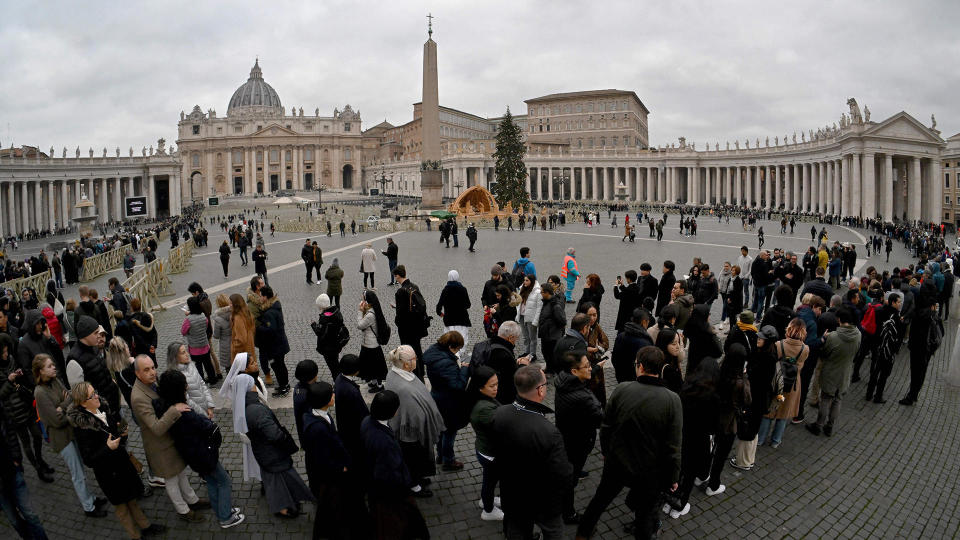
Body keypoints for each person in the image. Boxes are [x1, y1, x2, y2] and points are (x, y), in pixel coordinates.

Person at [575, 347, 682, 540]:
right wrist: (673, 476)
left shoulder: (622, 389)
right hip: (650, 471)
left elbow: (606, 426)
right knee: (644, 516)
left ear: (640, 366)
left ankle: (582, 534)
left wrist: (607, 452)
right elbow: (673, 446)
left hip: (617, 462)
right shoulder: (672, 400)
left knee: (599, 500)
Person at [68, 381, 165, 539]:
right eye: (92, 395)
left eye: (95, 391)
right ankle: (135, 536)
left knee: (132, 499)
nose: (97, 396)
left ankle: (146, 526)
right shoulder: (82, 428)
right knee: (122, 508)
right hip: (108, 474)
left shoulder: (103, 408)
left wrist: (121, 433)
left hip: (122, 464)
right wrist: (107, 448)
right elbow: (88, 460)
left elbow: (112, 431)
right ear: (83, 403)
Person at [154, 370, 245, 529]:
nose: (187, 387)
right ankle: (225, 517)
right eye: (184, 385)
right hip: (202, 454)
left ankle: (221, 510)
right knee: (224, 481)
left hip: (192, 455)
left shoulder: (165, 407)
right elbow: (207, 427)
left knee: (211, 481)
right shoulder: (184, 413)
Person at [493, 366, 573, 539]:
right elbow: (562, 473)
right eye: (545, 384)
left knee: (517, 530)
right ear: (540, 390)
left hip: (512, 493)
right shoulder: (548, 431)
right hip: (543, 499)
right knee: (553, 531)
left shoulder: (500, 412)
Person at [130, 355, 209, 522]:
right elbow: (157, 428)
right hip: (159, 445)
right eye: (146, 370)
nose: (152, 372)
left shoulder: (151, 383)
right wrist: (175, 409)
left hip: (170, 440)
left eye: (153, 367)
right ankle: (183, 511)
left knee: (180, 472)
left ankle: (192, 500)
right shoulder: (138, 397)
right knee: (171, 479)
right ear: (137, 374)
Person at [32, 354, 107, 517]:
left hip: (71, 433)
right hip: (62, 439)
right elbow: (57, 420)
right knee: (77, 473)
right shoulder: (39, 393)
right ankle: (88, 507)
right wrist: (66, 405)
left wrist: (62, 406)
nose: (54, 368)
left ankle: (91, 498)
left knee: (81, 467)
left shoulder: (55, 380)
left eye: (53, 365)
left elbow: (71, 397)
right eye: (49, 366)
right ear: (40, 371)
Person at [244, 370, 315, 517]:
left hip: (264, 452)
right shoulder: (257, 410)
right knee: (276, 480)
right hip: (271, 453)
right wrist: (284, 439)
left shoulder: (247, 405)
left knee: (279, 478)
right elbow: (274, 434)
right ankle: (283, 508)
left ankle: (290, 500)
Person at [360, 390, 429, 539]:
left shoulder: (367, 421)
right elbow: (389, 471)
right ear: (392, 412)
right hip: (391, 492)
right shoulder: (384, 442)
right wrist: (404, 484)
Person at [301, 381, 362, 539]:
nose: (334, 395)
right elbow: (322, 457)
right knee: (333, 505)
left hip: (332, 467)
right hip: (331, 475)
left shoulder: (317, 414)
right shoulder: (318, 427)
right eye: (331, 394)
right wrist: (340, 468)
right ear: (325, 401)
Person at [384, 345, 445, 496]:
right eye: (414, 359)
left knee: (418, 459)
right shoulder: (404, 388)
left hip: (412, 431)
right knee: (413, 459)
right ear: (406, 364)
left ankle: (418, 478)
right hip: (411, 434)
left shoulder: (396, 372)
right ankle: (414, 485)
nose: (417, 360)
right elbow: (413, 414)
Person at [0, 334, 56, 485]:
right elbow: (1, 394)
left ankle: (40, 460)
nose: (6, 355)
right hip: (13, 413)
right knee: (26, 443)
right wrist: (9, 381)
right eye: (3, 353)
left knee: (37, 436)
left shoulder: (11, 359)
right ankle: (38, 469)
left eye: (6, 351)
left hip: (25, 405)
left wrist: (18, 375)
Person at [555, 352, 603, 525]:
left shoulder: (562, 379)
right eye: (587, 366)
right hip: (578, 442)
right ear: (574, 371)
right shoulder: (583, 398)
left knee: (570, 471)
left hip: (565, 435)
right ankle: (568, 513)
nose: (590, 367)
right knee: (570, 480)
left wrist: (595, 368)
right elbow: (601, 418)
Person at [672, 354, 720, 519]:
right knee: (690, 475)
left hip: (682, 436)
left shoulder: (687, 387)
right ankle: (680, 506)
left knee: (678, 471)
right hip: (699, 441)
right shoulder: (713, 396)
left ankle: (669, 499)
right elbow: (714, 425)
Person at [704, 343, 751, 496]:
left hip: (712, 416)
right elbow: (747, 399)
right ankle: (713, 485)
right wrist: (745, 376)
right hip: (729, 422)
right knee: (721, 454)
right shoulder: (739, 381)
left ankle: (702, 474)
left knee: (708, 448)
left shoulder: (718, 370)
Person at [806, 307, 860, 437]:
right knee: (837, 400)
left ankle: (818, 425)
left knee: (825, 399)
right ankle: (829, 426)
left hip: (831, 372)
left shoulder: (834, 336)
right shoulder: (858, 334)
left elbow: (824, 353)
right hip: (845, 372)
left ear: (840, 320)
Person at [757, 319, 809, 448]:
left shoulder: (778, 344)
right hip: (792, 385)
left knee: (769, 412)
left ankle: (760, 439)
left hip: (776, 381)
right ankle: (776, 440)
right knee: (783, 414)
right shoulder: (805, 349)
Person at [422, 331, 469, 472]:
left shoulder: (433, 352)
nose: (457, 352)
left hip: (436, 396)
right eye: (457, 349)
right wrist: (464, 370)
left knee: (442, 429)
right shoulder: (446, 363)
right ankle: (448, 461)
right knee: (449, 431)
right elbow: (458, 385)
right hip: (448, 402)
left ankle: (440, 455)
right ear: (450, 347)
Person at [219, 355, 262, 483]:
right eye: (252, 363)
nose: (256, 364)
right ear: (245, 368)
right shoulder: (243, 381)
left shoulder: (254, 377)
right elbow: (241, 407)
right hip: (254, 425)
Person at [66, 316, 121, 415]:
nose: (99, 336)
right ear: (85, 335)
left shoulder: (94, 347)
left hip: (113, 402)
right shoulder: (74, 362)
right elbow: (80, 397)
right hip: (102, 410)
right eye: (96, 333)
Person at [468, 366, 502, 521]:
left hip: (486, 450)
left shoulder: (483, 399)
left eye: (496, 384)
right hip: (490, 453)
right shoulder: (484, 409)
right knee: (489, 481)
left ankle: (486, 500)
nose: (496, 388)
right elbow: (501, 430)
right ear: (480, 388)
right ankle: (488, 510)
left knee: (489, 480)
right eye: (492, 386)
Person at [900, 300, 941, 405]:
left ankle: (911, 396)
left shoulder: (919, 314)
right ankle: (914, 394)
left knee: (915, 372)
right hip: (928, 349)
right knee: (922, 372)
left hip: (917, 347)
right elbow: (942, 332)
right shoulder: (934, 316)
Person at [393, 265, 429, 380]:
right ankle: (421, 371)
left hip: (406, 328)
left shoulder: (400, 292)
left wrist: (397, 320)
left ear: (398, 276)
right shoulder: (414, 286)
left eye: (395, 276)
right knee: (417, 349)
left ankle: (413, 371)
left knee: (408, 351)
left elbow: (400, 314)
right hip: (417, 326)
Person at [866, 293, 903, 403]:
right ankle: (878, 396)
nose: (900, 304)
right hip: (888, 350)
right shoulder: (895, 317)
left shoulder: (880, 311)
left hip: (877, 346)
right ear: (893, 302)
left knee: (874, 372)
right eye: (898, 302)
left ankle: (869, 394)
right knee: (883, 375)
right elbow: (898, 335)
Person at [256, 286, 291, 397]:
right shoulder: (275, 307)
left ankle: (283, 387)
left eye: (261, 296)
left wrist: (258, 328)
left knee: (278, 366)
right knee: (280, 365)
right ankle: (284, 385)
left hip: (275, 346)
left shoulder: (269, 312)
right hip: (280, 344)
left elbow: (271, 329)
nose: (259, 298)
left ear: (265, 297)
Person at [167, 341, 215, 419]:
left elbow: (202, 383)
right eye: (183, 353)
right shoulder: (175, 376)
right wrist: (204, 414)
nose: (187, 354)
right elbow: (187, 400)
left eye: (186, 351)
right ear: (175, 357)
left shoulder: (191, 365)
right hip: (197, 416)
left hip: (207, 410)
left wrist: (210, 405)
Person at [358, 289, 390, 393]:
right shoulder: (372, 310)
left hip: (371, 345)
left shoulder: (370, 315)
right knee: (371, 365)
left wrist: (359, 311)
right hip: (368, 343)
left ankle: (379, 385)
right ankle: (374, 381)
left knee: (375, 366)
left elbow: (360, 325)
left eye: (363, 299)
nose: (362, 300)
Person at [612, 308, 654, 383]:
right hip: (636, 381)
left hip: (621, 377)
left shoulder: (621, 336)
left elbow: (614, 359)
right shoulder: (645, 343)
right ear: (644, 322)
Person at [312, 294, 348, 380]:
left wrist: (314, 325)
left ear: (321, 305)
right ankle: (340, 379)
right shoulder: (336, 311)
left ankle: (338, 383)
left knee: (333, 367)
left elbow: (321, 334)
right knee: (335, 363)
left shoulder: (325, 318)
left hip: (328, 348)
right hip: (336, 344)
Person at [180, 297, 215, 384]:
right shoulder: (203, 316)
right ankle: (212, 379)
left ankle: (201, 381)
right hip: (205, 345)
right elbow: (206, 326)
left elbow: (183, 332)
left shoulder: (188, 319)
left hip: (194, 348)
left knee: (198, 366)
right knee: (208, 364)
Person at [436, 270, 472, 349]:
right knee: (461, 340)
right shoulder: (463, 289)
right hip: (462, 319)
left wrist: (440, 313)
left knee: (450, 341)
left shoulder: (445, 290)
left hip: (449, 319)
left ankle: (451, 357)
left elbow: (439, 306)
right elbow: (468, 305)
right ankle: (459, 357)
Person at [538, 282, 567, 374]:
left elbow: (562, 321)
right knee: (545, 352)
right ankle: (549, 368)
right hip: (546, 334)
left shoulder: (555, 305)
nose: (540, 293)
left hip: (552, 336)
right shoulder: (546, 302)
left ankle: (555, 371)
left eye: (542, 292)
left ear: (547, 293)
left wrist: (552, 327)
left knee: (552, 354)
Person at [517, 274, 542, 364]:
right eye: (524, 280)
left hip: (531, 318)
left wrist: (536, 321)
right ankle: (527, 352)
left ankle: (532, 354)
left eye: (527, 280)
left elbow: (539, 308)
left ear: (532, 281)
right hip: (522, 316)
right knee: (525, 337)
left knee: (532, 337)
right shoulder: (522, 289)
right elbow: (519, 303)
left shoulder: (538, 292)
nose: (525, 282)